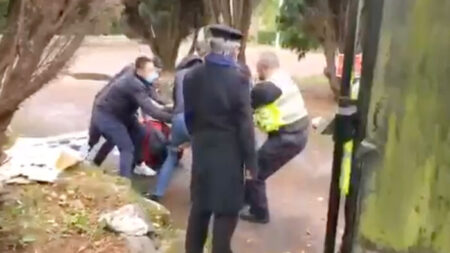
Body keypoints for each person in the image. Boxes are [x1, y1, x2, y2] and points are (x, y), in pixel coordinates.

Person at [183, 24, 257, 253]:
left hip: (203, 148)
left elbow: (189, 117)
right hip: (229, 153)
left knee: (200, 208)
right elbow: (245, 124)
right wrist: (251, 163)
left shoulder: (191, 75)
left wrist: (198, 138)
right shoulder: (238, 78)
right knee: (226, 212)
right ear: (231, 49)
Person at [240, 51, 310, 224]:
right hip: (297, 133)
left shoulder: (270, 87)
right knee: (258, 163)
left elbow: (251, 100)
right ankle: (246, 199)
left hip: (288, 137)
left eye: (259, 71)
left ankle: (260, 213)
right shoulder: (284, 77)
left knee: (256, 170)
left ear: (264, 68)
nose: (259, 75)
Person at [87, 56, 172, 178]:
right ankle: (123, 183)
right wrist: (173, 118)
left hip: (124, 114)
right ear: (139, 70)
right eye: (150, 71)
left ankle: (137, 165)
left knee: (141, 133)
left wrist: (170, 106)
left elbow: (153, 95)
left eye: (154, 70)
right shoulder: (132, 83)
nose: (153, 74)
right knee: (126, 147)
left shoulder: (143, 79)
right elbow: (152, 111)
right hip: (107, 114)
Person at [148, 55, 203, 201]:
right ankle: (196, 196)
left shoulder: (179, 75)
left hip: (178, 120)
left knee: (171, 156)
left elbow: (176, 100)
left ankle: (158, 192)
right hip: (196, 121)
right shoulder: (205, 76)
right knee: (199, 159)